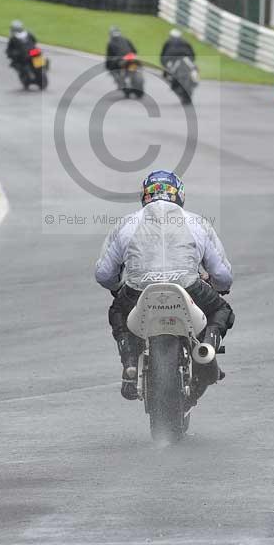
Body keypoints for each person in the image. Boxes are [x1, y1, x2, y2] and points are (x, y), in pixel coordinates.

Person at [95, 170, 234, 402]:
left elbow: (104, 274)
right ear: (179, 195)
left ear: (145, 196)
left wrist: (117, 285)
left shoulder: (126, 224)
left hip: (138, 291)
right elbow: (222, 274)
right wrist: (216, 285)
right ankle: (207, 349)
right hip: (188, 287)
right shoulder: (197, 223)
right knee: (222, 310)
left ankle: (129, 362)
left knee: (117, 311)